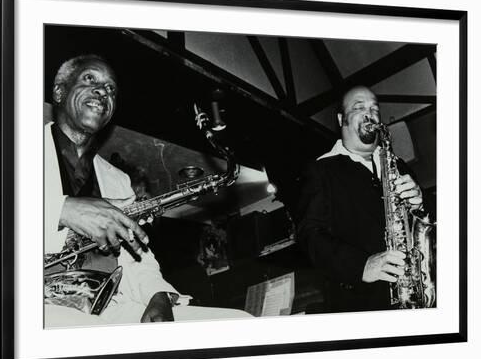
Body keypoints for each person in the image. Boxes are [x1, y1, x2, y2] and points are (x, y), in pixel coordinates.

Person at [44, 54, 251, 326]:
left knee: (240, 321)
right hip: (36, 304)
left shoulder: (118, 180)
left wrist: (158, 295)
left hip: (113, 307)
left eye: (111, 89)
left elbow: (136, 256)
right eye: (90, 79)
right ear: (59, 91)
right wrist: (61, 210)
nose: (103, 91)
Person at [293, 86, 424, 313]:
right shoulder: (321, 170)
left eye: (374, 108)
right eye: (359, 107)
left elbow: (427, 224)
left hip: (420, 287)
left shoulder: (398, 164)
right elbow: (309, 235)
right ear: (341, 119)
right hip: (363, 303)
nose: (370, 113)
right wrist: (361, 265)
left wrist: (420, 205)